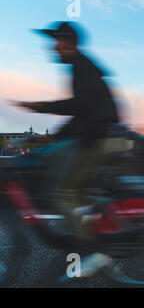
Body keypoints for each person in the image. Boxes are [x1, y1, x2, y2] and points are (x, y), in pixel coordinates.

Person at [14, 21, 119, 239]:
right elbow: (83, 112)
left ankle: (91, 245)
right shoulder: (83, 66)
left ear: (68, 42)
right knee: (78, 189)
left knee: (62, 193)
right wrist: (55, 137)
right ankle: (92, 228)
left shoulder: (81, 66)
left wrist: (41, 106)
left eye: (57, 41)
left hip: (98, 138)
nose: (53, 47)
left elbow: (80, 106)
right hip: (101, 134)